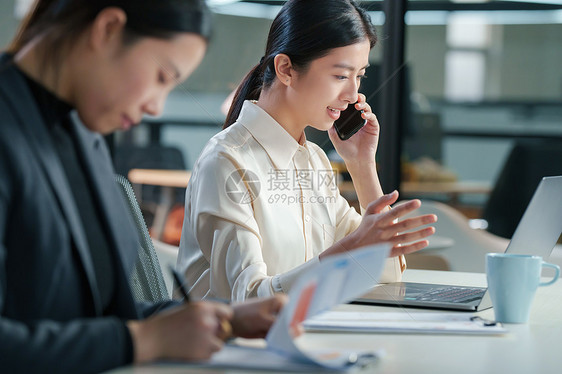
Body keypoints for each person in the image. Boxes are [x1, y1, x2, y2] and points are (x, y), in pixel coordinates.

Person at [0, 1, 286, 373]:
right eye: (162, 76)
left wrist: (225, 319)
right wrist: (144, 341)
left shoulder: (85, 135)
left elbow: (100, 314)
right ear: (108, 29)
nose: (156, 107)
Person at [177, 0, 438, 302]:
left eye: (360, 76)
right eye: (341, 75)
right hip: (232, 346)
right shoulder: (226, 161)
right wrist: (348, 251)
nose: (353, 94)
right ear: (286, 69)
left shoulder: (314, 161)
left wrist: (362, 164)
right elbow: (247, 300)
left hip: (300, 337)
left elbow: (385, 272)